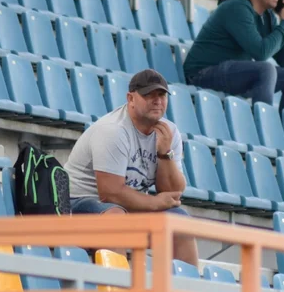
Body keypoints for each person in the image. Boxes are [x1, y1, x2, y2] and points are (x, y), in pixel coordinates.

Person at [64, 68, 199, 265]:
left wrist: (165, 154)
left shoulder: (169, 132)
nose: (157, 100)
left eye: (161, 95)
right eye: (148, 95)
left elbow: (172, 192)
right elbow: (110, 193)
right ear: (131, 98)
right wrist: (154, 203)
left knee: (179, 223)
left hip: (126, 206)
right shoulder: (113, 130)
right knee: (116, 218)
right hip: (78, 203)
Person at [183, 0, 284, 111]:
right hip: (203, 74)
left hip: (234, 74)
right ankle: (263, 129)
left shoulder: (267, 15)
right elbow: (261, 53)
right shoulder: (237, 7)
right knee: (265, 70)